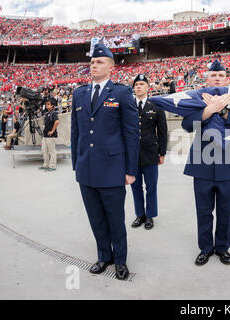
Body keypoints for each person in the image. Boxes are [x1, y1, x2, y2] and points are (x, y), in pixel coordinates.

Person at [70, 44, 139, 280]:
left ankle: (120, 259)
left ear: (111, 66)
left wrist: (130, 170)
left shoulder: (121, 93)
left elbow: (131, 133)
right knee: (96, 218)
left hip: (112, 169)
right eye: (92, 62)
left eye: (99, 62)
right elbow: (76, 132)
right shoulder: (79, 93)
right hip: (86, 168)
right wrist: (76, 164)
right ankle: (104, 256)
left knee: (115, 218)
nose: (94, 65)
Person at [181, 60, 230, 266]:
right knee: (203, 210)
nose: (217, 79)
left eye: (221, 76)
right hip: (202, 163)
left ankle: (222, 247)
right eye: (213, 76)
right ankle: (205, 248)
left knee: (226, 210)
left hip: (229, 162)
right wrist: (208, 110)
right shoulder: (197, 100)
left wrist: (223, 111)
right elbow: (187, 124)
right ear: (207, 79)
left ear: (226, 79)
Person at [130, 74, 167, 230]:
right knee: (135, 186)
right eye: (136, 84)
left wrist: (162, 153)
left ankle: (150, 215)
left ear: (147, 87)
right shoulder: (128, 106)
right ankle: (140, 214)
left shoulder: (156, 107)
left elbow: (163, 131)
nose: (138, 86)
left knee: (151, 186)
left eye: (141, 84)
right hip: (132, 155)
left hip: (151, 154)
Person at [39, 97, 59, 172]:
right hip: (45, 136)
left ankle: (52, 166)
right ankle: (46, 165)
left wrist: (52, 131)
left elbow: (57, 122)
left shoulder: (53, 113)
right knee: (44, 150)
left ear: (53, 106)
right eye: (46, 104)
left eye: (48, 104)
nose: (47, 105)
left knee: (51, 151)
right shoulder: (48, 113)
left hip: (50, 136)